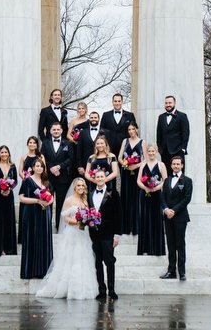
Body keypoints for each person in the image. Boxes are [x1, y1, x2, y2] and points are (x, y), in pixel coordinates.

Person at [36, 177, 97, 299]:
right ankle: (67, 288)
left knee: (83, 258)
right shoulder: (69, 200)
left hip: (83, 233)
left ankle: (84, 289)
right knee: (71, 258)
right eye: (78, 186)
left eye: (82, 186)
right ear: (74, 187)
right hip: (72, 233)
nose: (80, 188)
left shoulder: (85, 200)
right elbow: (64, 216)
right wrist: (74, 222)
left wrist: (87, 221)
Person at [88, 169, 122, 301]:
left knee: (109, 261)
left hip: (108, 233)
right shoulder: (90, 194)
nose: (100, 179)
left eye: (102, 176)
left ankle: (112, 290)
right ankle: (101, 290)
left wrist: (117, 235)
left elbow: (118, 215)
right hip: (94, 234)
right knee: (97, 262)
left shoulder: (113, 194)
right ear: (94, 179)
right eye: (98, 177)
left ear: (106, 178)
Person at [19, 157, 54, 279]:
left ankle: (43, 271)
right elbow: (21, 198)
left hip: (44, 214)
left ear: (44, 168)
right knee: (31, 239)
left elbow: (52, 197)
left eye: (41, 166)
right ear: (33, 168)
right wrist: (37, 200)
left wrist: (47, 202)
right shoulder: (27, 180)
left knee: (43, 240)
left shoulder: (47, 181)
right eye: (37, 166)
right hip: (31, 213)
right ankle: (29, 271)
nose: (39, 168)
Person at [159, 155, 193, 281]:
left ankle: (182, 272)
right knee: (171, 244)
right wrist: (166, 210)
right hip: (168, 217)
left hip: (180, 217)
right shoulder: (167, 180)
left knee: (180, 244)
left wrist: (174, 210)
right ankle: (171, 271)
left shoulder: (187, 181)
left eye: (178, 164)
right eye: (174, 164)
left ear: (182, 165)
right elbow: (162, 197)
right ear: (171, 165)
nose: (176, 166)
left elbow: (187, 198)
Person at [40, 122, 73, 230]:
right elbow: (42, 158)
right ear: (50, 131)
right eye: (54, 129)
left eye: (58, 129)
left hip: (63, 178)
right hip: (48, 178)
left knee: (61, 203)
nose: (56, 131)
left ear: (62, 131)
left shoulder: (68, 143)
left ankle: (60, 226)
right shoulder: (45, 143)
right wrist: (51, 168)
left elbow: (70, 159)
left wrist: (59, 167)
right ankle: (47, 226)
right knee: (47, 201)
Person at [137, 142, 167, 256]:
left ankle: (157, 249)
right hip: (144, 194)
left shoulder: (161, 165)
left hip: (156, 195)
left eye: (152, 151)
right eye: (149, 151)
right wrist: (145, 188)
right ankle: (145, 249)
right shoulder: (143, 164)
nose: (151, 153)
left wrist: (156, 188)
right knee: (144, 219)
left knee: (156, 220)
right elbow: (138, 180)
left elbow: (165, 180)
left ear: (156, 152)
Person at [118, 121, 146, 235]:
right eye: (129, 130)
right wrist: (125, 164)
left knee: (136, 198)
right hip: (126, 172)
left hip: (138, 173)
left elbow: (145, 159)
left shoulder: (142, 142)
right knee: (125, 197)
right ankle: (125, 227)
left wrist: (135, 166)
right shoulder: (125, 141)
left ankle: (136, 227)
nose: (131, 132)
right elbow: (119, 157)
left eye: (132, 129)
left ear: (136, 129)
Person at [0, 145, 17, 256]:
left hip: (9, 196)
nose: (4, 154)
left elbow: (15, 181)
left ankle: (8, 249)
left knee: (8, 221)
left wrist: (9, 188)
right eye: (2, 152)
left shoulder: (13, 166)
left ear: (8, 154)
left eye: (6, 152)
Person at [18, 136, 45, 244]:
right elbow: (20, 171)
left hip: (39, 185)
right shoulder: (24, 157)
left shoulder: (40, 156)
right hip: (28, 185)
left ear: (37, 145)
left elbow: (44, 169)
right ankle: (23, 237)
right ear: (27, 144)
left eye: (34, 142)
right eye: (30, 142)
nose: (32, 144)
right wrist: (26, 179)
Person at [156, 95, 190, 173]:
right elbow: (158, 134)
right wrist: (160, 149)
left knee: (178, 176)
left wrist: (183, 149)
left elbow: (186, 134)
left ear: (174, 103)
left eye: (170, 103)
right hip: (165, 152)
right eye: (166, 103)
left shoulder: (182, 116)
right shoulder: (161, 117)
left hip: (178, 151)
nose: (168, 105)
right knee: (166, 176)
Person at [75, 111, 104, 175]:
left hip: (101, 163)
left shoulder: (105, 132)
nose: (93, 119)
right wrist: (80, 166)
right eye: (91, 117)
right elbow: (79, 149)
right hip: (86, 164)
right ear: (89, 119)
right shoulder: (83, 132)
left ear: (99, 119)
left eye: (95, 117)